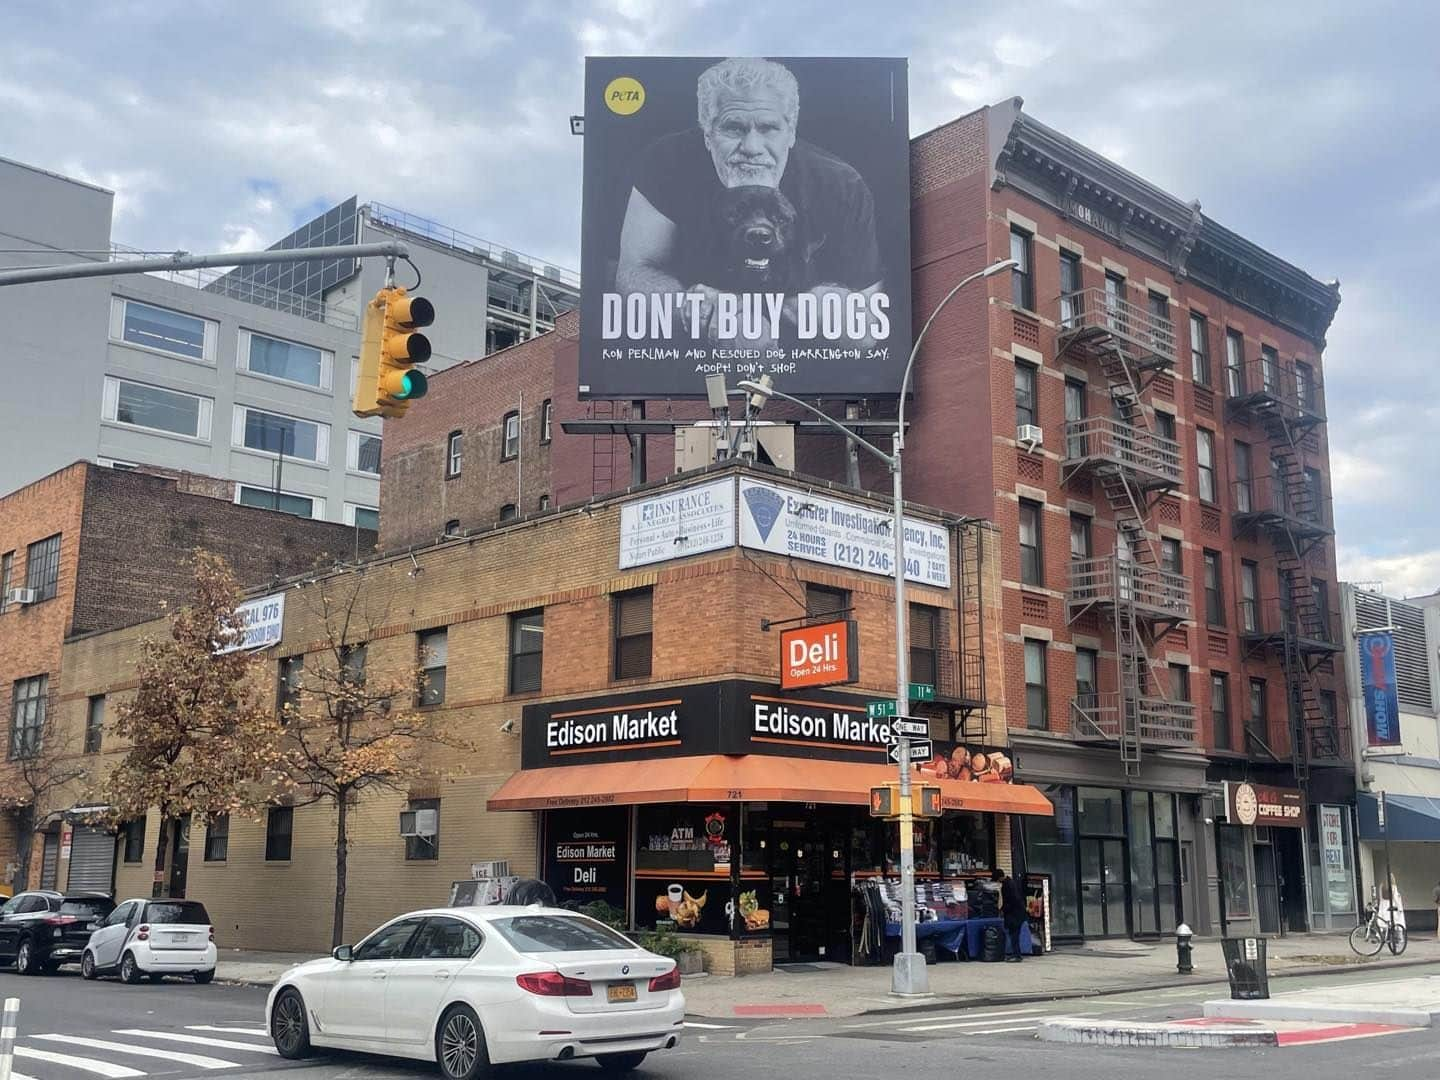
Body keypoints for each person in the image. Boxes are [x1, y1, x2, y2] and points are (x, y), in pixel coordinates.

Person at [615, 57, 884, 342]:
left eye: (768, 128)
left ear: (791, 133)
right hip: (690, 352)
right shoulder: (666, 163)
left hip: (810, 359)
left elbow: (869, 331)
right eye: (734, 128)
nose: (752, 148)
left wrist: (806, 310)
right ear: (707, 134)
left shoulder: (841, 186)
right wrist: (700, 311)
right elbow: (635, 271)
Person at [994, 868, 1027, 962]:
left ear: (999, 878)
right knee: (1014, 934)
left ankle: (1017, 955)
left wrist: (1003, 910)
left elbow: (1010, 900)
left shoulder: (1007, 886)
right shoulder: (1011, 882)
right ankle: (1015, 954)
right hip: (1018, 912)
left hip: (1014, 914)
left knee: (1014, 935)